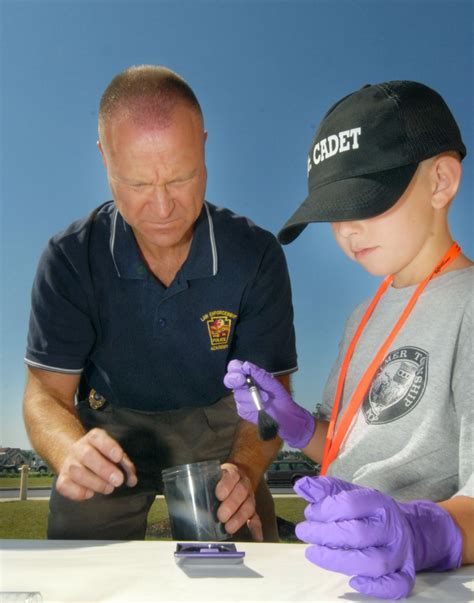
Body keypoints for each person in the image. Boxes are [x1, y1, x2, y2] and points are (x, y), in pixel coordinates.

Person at [22, 65, 297, 542]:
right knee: (77, 573)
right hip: (109, 433)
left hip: (219, 431)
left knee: (249, 562)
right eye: (138, 184)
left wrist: (245, 471)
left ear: (205, 147)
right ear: (104, 159)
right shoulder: (69, 258)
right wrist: (71, 450)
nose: (164, 207)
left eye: (181, 177)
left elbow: (268, 396)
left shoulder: (256, 255)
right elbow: (44, 394)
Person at [224, 80, 473, 598]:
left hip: (432, 581)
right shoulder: (363, 315)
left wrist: (422, 534)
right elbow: (356, 445)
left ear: (441, 180)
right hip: (340, 570)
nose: (347, 232)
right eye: (333, 213)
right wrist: (296, 425)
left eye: (366, 201)